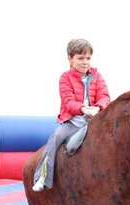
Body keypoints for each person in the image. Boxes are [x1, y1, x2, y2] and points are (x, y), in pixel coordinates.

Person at [32, 38, 111, 192]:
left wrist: (99, 107)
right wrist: (83, 109)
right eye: (80, 58)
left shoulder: (97, 76)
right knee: (55, 138)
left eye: (88, 58)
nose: (85, 62)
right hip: (73, 121)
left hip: (94, 119)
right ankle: (42, 177)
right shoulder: (65, 78)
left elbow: (105, 96)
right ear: (70, 59)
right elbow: (68, 102)